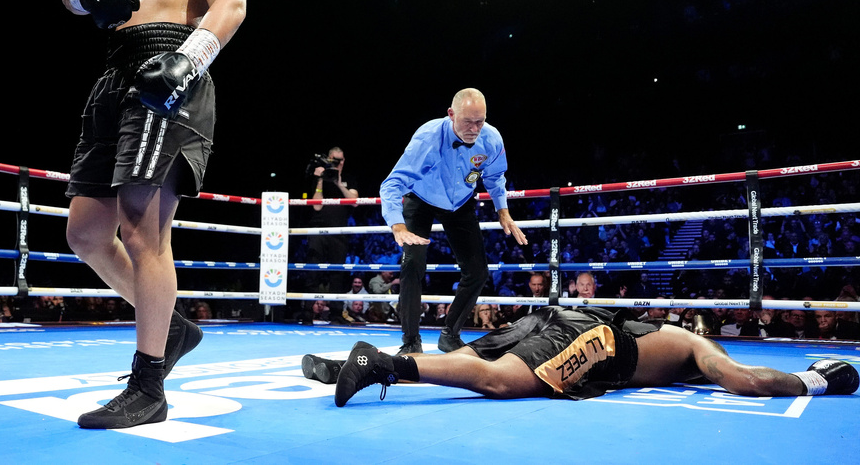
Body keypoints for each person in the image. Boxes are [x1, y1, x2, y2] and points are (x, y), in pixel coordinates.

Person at [60, 0, 247, 430]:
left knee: (143, 228)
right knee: (86, 233)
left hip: (171, 72)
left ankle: (149, 386)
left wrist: (189, 61)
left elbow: (232, 3)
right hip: (115, 80)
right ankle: (175, 328)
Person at [300, 306, 859, 407]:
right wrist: (815, 379)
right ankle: (380, 363)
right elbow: (742, 380)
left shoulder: (667, 336)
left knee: (469, 363)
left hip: (553, 318)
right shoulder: (694, 343)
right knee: (500, 381)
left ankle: (351, 368)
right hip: (595, 337)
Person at [380, 88, 526, 354]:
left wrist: (502, 211)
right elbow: (392, 183)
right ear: (451, 114)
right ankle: (410, 342)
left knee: (478, 271)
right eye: (468, 122)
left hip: (460, 202)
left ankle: (450, 334)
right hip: (421, 198)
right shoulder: (428, 137)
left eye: (480, 121)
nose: (474, 129)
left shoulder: (491, 138)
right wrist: (397, 225)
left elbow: (495, 177)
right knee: (412, 264)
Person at [304, 147, 359, 295]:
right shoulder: (319, 178)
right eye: (335, 160)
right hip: (318, 230)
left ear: (344, 161)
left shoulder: (348, 178)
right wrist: (320, 180)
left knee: (337, 272)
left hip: (339, 231)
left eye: (341, 160)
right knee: (313, 270)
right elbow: (316, 205)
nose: (338, 163)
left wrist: (339, 183)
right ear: (329, 159)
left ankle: (336, 308)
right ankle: (310, 308)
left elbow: (354, 202)